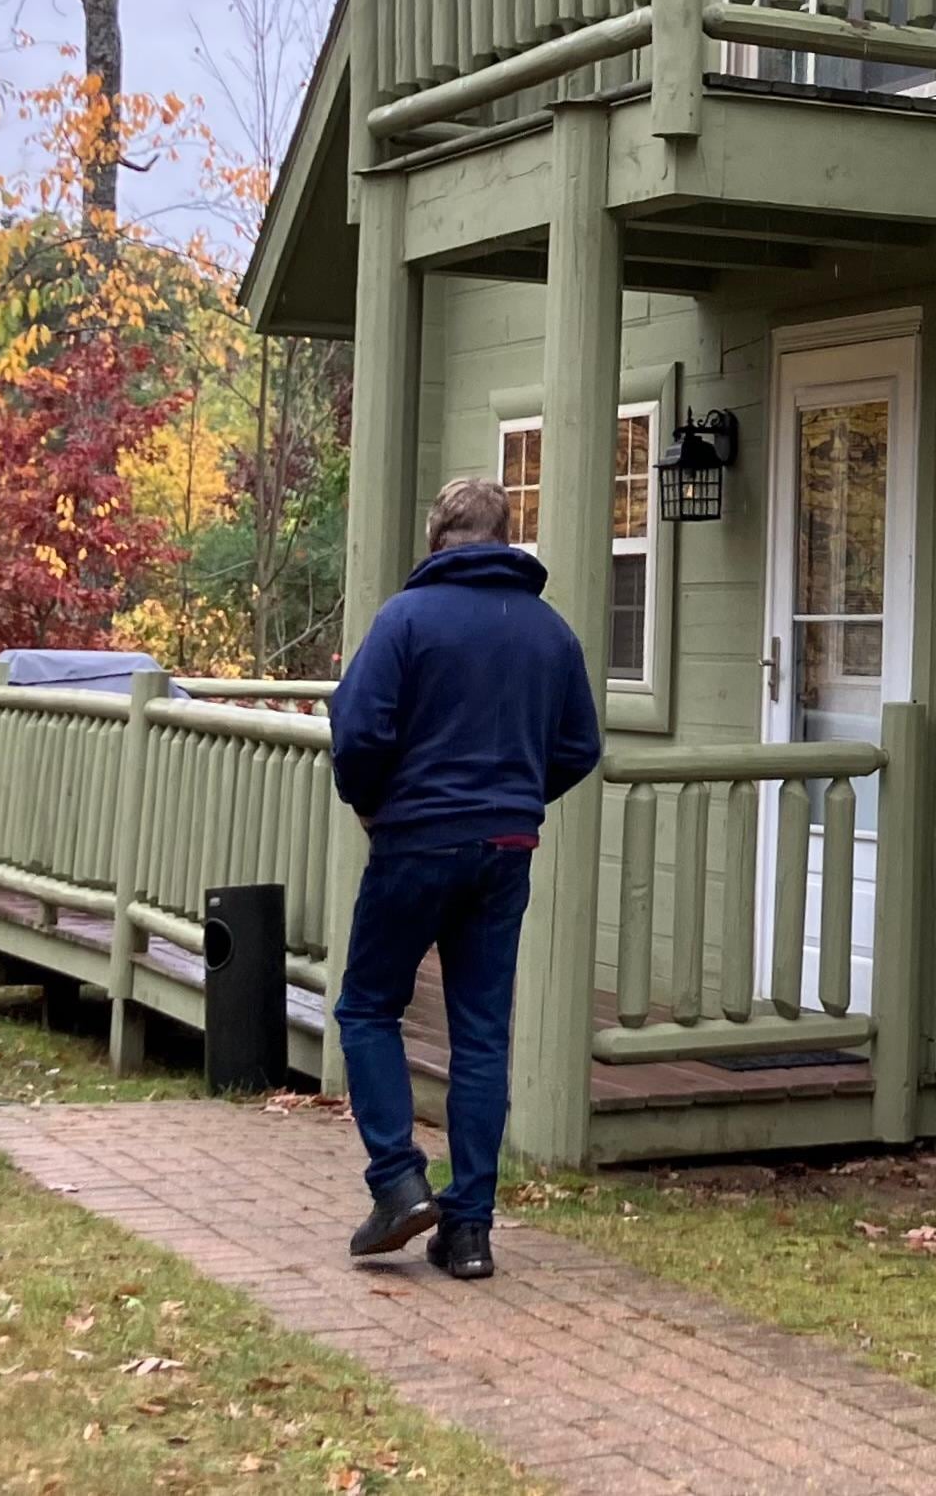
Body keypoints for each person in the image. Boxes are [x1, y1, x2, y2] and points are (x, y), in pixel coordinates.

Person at [329, 474, 602, 1281]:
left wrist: (372, 805)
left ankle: (398, 1182)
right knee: (481, 1036)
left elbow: (358, 732)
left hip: (415, 842)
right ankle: (470, 1232)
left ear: (436, 537)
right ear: (506, 536)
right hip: (506, 849)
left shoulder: (406, 619)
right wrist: (517, 798)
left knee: (368, 1007)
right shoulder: (551, 634)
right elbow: (579, 747)